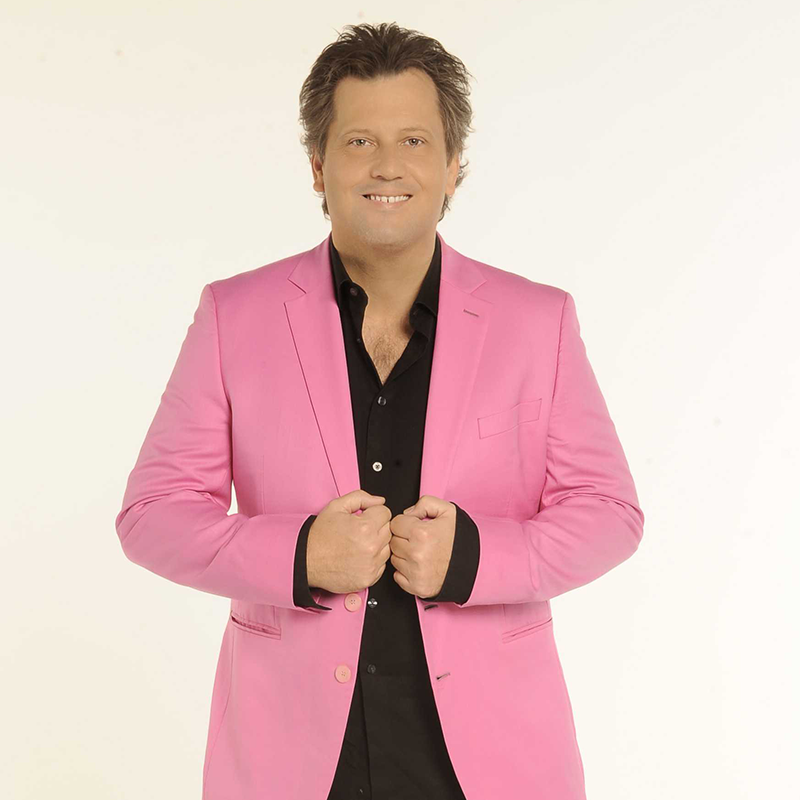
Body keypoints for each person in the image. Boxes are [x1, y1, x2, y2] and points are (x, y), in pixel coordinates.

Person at [115, 21, 644, 800]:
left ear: (454, 165)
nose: (387, 166)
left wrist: (474, 559)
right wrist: (300, 555)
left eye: (414, 141)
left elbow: (609, 513)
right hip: (290, 758)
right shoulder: (234, 315)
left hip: (491, 762)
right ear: (318, 164)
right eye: (359, 141)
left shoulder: (539, 321)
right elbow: (153, 516)